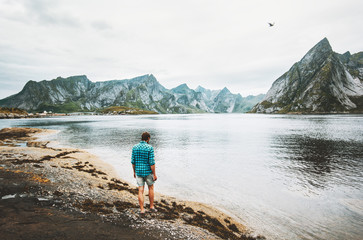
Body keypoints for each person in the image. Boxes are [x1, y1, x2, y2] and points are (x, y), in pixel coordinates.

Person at [131, 132, 157, 214]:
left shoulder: (135, 147)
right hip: (148, 172)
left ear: (142, 138)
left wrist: (134, 172)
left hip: (138, 171)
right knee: (151, 188)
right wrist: (154, 174)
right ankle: (151, 206)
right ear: (148, 138)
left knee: (140, 190)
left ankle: (142, 209)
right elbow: (152, 163)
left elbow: (133, 162)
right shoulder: (149, 148)